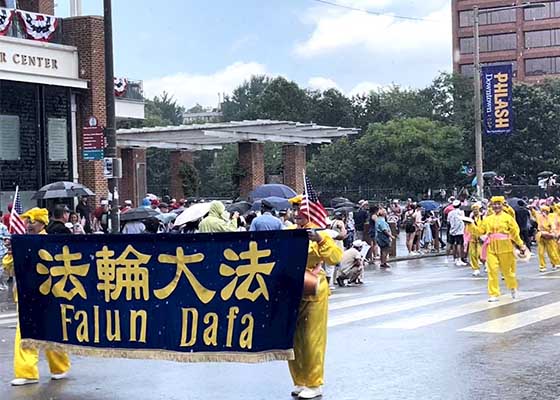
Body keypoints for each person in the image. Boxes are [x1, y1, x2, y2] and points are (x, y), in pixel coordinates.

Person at [12, 207, 71, 386]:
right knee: (26, 332)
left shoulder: (49, 241)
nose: (29, 224)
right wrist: (11, 253)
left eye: (33, 221)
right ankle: (27, 372)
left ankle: (60, 367)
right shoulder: (21, 242)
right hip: (27, 294)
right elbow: (11, 267)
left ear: (42, 223)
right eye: (27, 221)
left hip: (48, 293)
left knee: (51, 330)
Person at [289, 209, 343, 399]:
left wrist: (320, 239)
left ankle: (314, 382)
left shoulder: (321, 234)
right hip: (292, 288)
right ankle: (300, 380)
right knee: (294, 338)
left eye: (301, 212)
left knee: (313, 339)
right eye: (295, 212)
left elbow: (335, 258)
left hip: (314, 288)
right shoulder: (290, 232)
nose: (297, 215)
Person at [469, 196, 527, 302]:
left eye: (498, 204)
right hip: (491, 247)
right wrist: (471, 225)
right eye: (494, 204)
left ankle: (513, 287)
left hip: (506, 247)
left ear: (502, 205)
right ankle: (494, 293)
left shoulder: (508, 218)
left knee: (507, 272)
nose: (496, 206)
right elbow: (480, 231)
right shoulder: (487, 219)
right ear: (491, 205)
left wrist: (521, 245)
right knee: (492, 270)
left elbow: (515, 233)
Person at [535, 205, 560, 273]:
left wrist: (551, 234)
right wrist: (531, 208)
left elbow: (553, 227)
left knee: (551, 252)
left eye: (545, 211)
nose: (543, 212)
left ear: (547, 212)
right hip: (541, 236)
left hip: (549, 237)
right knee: (541, 252)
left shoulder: (551, 218)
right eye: (542, 211)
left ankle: (554, 263)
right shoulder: (539, 217)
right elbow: (534, 213)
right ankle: (542, 266)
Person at [465, 203, 483, 276]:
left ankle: (486, 264)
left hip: (481, 238)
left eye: (476, 209)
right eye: (474, 209)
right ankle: (476, 269)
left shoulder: (482, 217)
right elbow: (467, 229)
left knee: (480, 254)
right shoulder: (470, 218)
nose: (475, 211)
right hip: (472, 238)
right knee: (472, 254)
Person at [447, 200, 467, 266]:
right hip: (460, 231)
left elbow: (448, 222)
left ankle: (449, 258)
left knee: (451, 244)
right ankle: (459, 259)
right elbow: (463, 221)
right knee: (459, 244)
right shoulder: (461, 212)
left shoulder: (450, 213)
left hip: (452, 230)